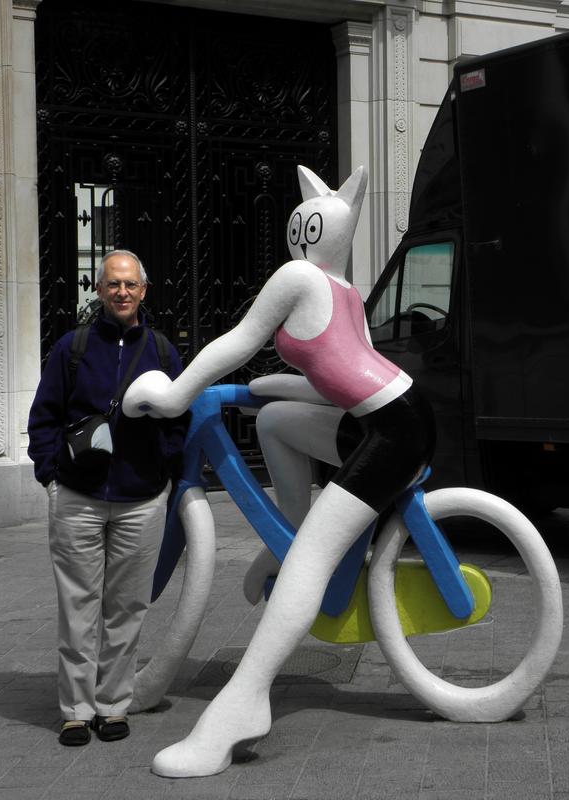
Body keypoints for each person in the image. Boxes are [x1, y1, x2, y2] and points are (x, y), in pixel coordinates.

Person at [122, 166, 435, 778]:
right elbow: (342, 374)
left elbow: (241, 339)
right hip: (390, 411)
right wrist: (269, 388)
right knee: (275, 422)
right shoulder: (342, 288)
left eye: (308, 225)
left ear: (326, 229)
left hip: (393, 428)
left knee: (312, 558)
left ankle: (242, 705)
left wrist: (178, 394)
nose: (301, 234)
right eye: (300, 224)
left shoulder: (298, 277)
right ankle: (289, 528)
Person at [28, 250, 189, 747]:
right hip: (77, 496)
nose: (122, 292)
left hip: (141, 500)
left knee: (126, 607)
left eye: (131, 285)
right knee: (78, 606)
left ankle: (112, 704)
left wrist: (162, 468)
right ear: (99, 290)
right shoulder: (71, 348)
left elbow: (181, 418)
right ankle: (76, 710)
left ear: (144, 290)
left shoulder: (162, 351)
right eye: (113, 284)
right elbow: (45, 415)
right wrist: (49, 472)